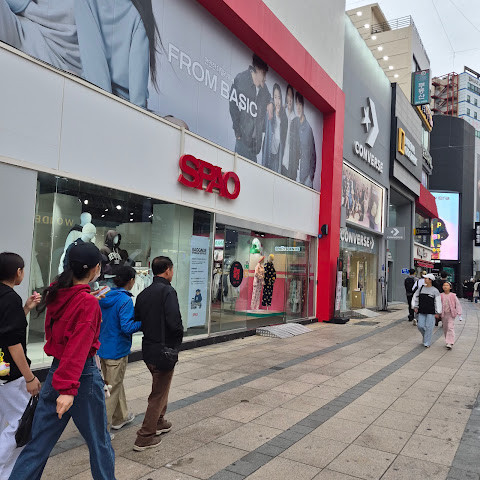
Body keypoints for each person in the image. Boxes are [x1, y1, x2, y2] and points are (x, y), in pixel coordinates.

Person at [9, 242, 116, 480]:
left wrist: (87, 298)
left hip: (57, 372)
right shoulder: (86, 302)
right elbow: (78, 347)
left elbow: (62, 336)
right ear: (95, 269)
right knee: (99, 443)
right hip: (80, 376)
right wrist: (68, 390)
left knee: (37, 445)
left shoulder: (58, 293)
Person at [133, 256, 183, 451]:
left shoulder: (143, 294)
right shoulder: (168, 291)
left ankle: (159, 421)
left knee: (162, 385)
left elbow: (138, 318)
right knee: (158, 393)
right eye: (172, 269)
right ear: (168, 270)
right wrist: (177, 342)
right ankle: (145, 436)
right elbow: (174, 321)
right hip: (164, 349)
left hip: (148, 348)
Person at [74, 0, 160, 108]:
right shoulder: (138, 14)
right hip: (124, 104)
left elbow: (93, 62)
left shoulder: (85, 2)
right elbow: (138, 95)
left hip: (96, 99)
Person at [0, 252, 41, 479]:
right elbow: (13, 342)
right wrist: (29, 378)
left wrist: (25, 309)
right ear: (18, 272)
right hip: (9, 370)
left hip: (0, 368)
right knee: (20, 420)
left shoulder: (6, 298)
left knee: (5, 417)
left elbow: (5, 328)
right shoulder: (10, 298)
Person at [98, 265, 141, 438]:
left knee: (113, 384)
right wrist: (143, 322)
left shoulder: (104, 295)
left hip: (102, 348)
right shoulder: (125, 300)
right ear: (130, 281)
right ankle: (103, 431)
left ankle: (120, 417)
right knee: (112, 389)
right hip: (117, 350)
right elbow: (127, 327)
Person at [229, 54, 272, 162]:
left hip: (254, 147)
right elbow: (233, 106)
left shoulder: (264, 89)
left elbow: (269, 97)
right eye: (264, 74)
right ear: (257, 70)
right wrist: (238, 132)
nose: (265, 78)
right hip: (242, 141)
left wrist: (270, 103)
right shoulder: (241, 79)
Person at [262, 83, 287, 174]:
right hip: (268, 153)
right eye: (275, 97)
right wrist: (271, 103)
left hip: (277, 156)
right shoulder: (270, 114)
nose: (278, 101)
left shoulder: (283, 118)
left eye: (279, 98)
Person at [412, 273, 442, 348]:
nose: (424, 280)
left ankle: (427, 342)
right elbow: (415, 297)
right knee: (420, 326)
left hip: (431, 311)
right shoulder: (421, 288)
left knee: (429, 327)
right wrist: (415, 306)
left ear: (430, 280)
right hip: (422, 310)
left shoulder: (435, 290)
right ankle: (426, 336)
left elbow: (438, 301)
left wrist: (438, 312)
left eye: (426, 278)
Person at [293, 92, 316, 188]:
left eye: (300, 104)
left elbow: (313, 155)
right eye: (296, 104)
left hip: (305, 178)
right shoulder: (294, 124)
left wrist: (310, 176)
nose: (298, 107)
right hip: (294, 175)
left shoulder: (308, 129)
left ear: (303, 106)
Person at [281, 84, 300, 180]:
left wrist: (295, 167)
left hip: (291, 166)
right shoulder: (282, 113)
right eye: (288, 96)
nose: (290, 99)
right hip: (281, 162)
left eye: (291, 97)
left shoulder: (295, 119)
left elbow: (298, 146)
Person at [440, 281, 462, 349]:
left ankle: (450, 342)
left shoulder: (453, 295)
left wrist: (459, 314)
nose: (445, 286)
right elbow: (437, 304)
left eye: (447, 285)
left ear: (450, 287)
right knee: (445, 328)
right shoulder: (440, 295)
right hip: (443, 314)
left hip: (451, 314)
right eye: (444, 285)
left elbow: (457, 304)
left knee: (450, 327)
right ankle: (447, 340)